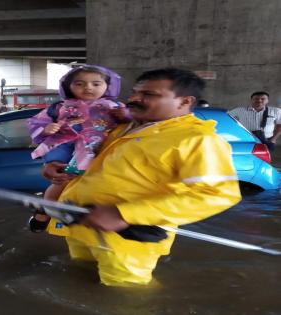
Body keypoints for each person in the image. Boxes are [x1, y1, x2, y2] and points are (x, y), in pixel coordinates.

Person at [41, 68, 242, 287]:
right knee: (79, 278)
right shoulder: (122, 128)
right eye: (135, 92)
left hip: (127, 239)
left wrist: (123, 214)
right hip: (82, 224)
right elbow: (87, 161)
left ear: (184, 101)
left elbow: (216, 195)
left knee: (127, 296)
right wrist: (54, 166)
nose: (135, 99)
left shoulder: (198, 140)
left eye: (149, 95)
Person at [26, 65, 129, 233]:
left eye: (96, 84)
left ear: (107, 86)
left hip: (99, 151)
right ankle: (44, 211)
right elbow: (35, 122)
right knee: (61, 182)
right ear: (68, 86)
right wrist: (46, 129)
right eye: (80, 83)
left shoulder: (114, 107)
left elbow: (133, 124)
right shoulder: (59, 108)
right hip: (66, 148)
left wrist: (125, 116)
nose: (88, 87)